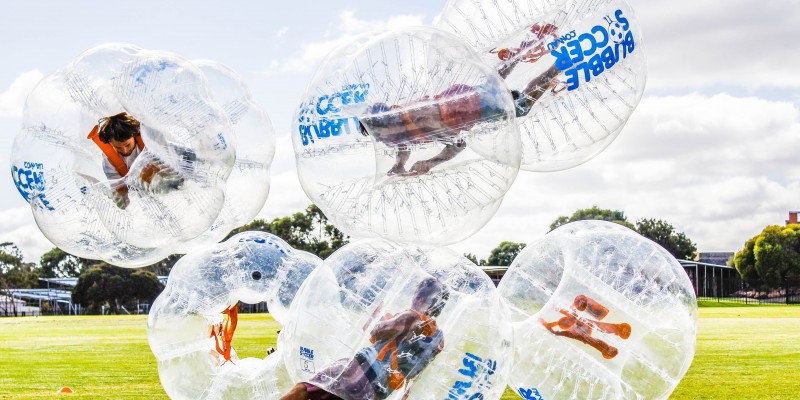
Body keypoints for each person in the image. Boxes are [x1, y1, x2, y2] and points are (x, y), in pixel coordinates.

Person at [357, 24, 561, 176]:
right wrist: (399, 163)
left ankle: (559, 66)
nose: (380, 140)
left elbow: (458, 144)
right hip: (457, 96)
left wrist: (430, 163)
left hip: (474, 110)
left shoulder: (421, 122)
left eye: (378, 134)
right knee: (492, 83)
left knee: (519, 107)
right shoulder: (401, 122)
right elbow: (404, 145)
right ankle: (529, 44)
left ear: (387, 123)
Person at [279, 276, 450, 400]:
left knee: (304, 390)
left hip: (359, 370)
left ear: (420, 298)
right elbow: (414, 372)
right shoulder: (437, 340)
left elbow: (378, 332)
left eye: (414, 296)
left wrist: (378, 319)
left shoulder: (412, 317)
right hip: (378, 392)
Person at [87, 112, 184, 209]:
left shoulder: (148, 140)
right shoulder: (108, 160)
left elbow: (170, 162)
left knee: (148, 171)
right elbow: (118, 186)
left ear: (134, 136)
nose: (124, 150)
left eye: (127, 145)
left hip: (171, 174)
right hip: (147, 191)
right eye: (118, 147)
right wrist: (121, 199)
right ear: (111, 143)